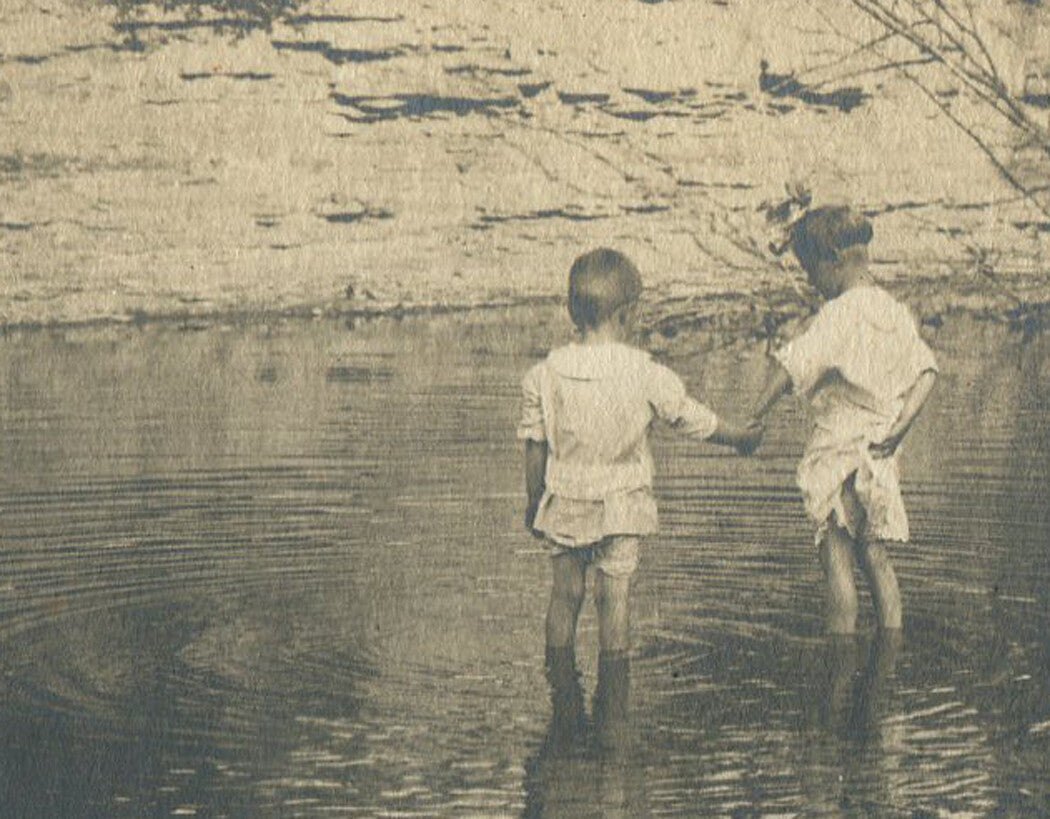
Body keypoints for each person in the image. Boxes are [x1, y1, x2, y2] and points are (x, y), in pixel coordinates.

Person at [517, 248, 760, 661]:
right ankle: (614, 693)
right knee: (614, 598)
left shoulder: (543, 374)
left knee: (565, 595)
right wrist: (737, 437)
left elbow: (534, 446)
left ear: (571, 310)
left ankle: (559, 686)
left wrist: (534, 500)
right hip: (623, 503)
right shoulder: (645, 372)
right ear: (628, 315)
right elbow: (688, 417)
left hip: (566, 500)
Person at [750, 206, 938, 634]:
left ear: (834, 259)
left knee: (836, 555)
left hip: (839, 455)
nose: (813, 284)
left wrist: (754, 414)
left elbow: (792, 367)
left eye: (811, 271)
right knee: (874, 555)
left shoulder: (837, 315)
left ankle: (840, 649)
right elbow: (927, 373)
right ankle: (891, 646)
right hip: (879, 455)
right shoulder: (894, 311)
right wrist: (901, 427)